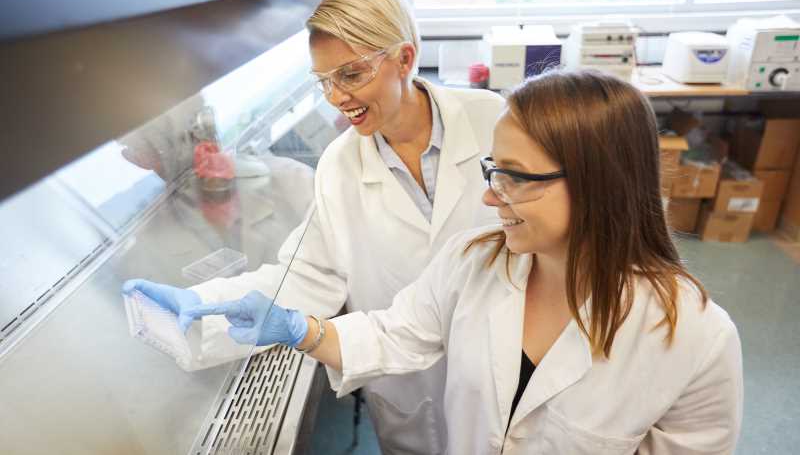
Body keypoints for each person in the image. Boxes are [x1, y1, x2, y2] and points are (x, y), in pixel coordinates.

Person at [186, 70, 744, 454]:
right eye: (492, 170)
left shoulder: (693, 338)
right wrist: (296, 329)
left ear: (602, 184)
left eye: (516, 177)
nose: (489, 197)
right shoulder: (474, 262)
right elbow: (396, 334)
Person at [122, 0, 504, 454]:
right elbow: (304, 275)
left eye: (351, 74)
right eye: (324, 80)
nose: (336, 97)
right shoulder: (341, 166)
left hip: (508, 369)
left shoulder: (494, 122)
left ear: (404, 59)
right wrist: (198, 303)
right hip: (411, 389)